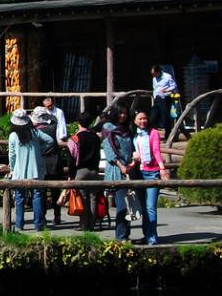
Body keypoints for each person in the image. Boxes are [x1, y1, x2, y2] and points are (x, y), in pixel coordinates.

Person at [7, 108, 54, 231]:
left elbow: (12, 155)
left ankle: (19, 224)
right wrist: (40, 151)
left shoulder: (13, 136)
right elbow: (50, 141)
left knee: (19, 198)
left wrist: (12, 168)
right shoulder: (35, 132)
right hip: (36, 170)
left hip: (19, 172)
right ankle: (38, 225)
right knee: (37, 196)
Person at [101, 105, 137, 242]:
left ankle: (125, 234)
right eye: (120, 113)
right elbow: (108, 149)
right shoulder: (108, 128)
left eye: (125, 113)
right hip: (116, 170)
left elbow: (132, 148)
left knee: (130, 205)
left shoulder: (127, 129)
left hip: (129, 170)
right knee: (122, 204)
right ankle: (121, 236)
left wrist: (132, 163)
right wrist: (121, 165)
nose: (123, 116)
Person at [133, 111, 168, 245]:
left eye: (145, 118)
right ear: (135, 121)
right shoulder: (134, 134)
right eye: (140, 119)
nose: (143, 121)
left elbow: (156, 150)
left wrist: (162, 168)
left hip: (151, 172)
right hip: (139, 172)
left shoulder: (153, 133)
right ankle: (146, 233)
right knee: (143, 206)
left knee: (150, 206)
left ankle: (152, 237)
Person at [67, 111, 102, 231]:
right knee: (92, 197)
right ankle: (91, 224)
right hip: (93, 170)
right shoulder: (96, 137)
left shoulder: (75, 138)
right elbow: (97, 155)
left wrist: (71, 174)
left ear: (78, 123)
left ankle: (83, 224)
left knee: (82, 198)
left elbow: (72, 158)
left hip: (80, 171)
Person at [31, 106, 63, 226]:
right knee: (56, 192)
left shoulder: (35, 132)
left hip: (42, 164)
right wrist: (46, 114)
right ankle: (57, 215)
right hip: (55, 163)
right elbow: (54, 118)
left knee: (42, 193)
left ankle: (42, 217)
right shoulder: (52, 127)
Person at [150, 64, 177, 133]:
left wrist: (166, 90)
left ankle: (167, 134)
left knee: (165, 117)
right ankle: (154, 134)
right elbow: (155, 88)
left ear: (158, 72)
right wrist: (155, 95)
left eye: (154, 74)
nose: (153, 76)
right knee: (153, 116)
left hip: (165, 98)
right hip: (157, 98)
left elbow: (174, 86)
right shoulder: (154, 79)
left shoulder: (167, 77)